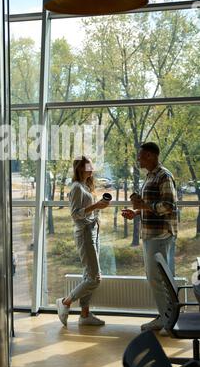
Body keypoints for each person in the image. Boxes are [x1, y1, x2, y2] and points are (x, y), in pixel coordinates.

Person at [121, 142, 178, 333]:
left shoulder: (164, 176)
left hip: (160, 235)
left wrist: (144, 206)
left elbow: (168, 205)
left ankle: (167, 320)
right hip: (150, 234)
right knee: (154, 277)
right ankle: (164, 317)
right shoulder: (150, 176)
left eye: (142, 155)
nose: (138, 158)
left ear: (152, 156)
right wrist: (136, 212)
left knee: (158, 279)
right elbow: (152, 205)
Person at [56, 156, 111, 327]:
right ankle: (65, 301)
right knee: (95, 278)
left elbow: (86, 211)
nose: (92, 168)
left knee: (89, 274)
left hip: (93, 231)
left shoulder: (86, 186)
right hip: (85, 233)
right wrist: (96, 207)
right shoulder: (77, 188)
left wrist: (98, 208)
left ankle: (85, 315)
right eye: (89, 165)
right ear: (80, 168)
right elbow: (75, 214)